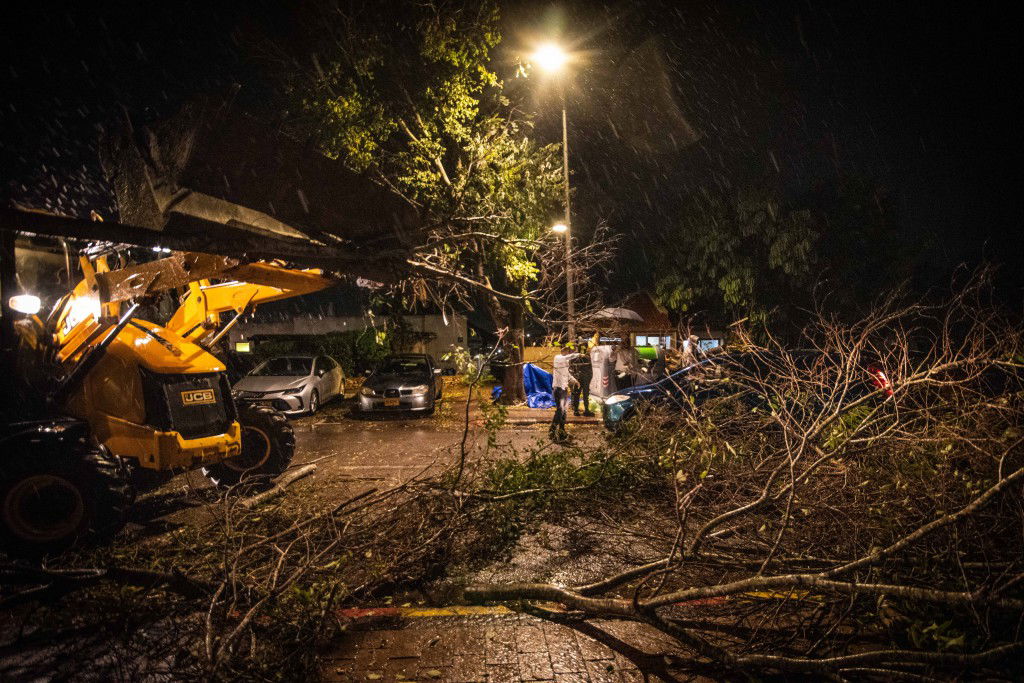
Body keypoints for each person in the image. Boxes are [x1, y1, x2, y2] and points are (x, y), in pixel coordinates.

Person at [550, 345, 582, 442]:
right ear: (564, 352)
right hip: (558, 389)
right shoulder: (558, 358)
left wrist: (575, 381)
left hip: (564, 389)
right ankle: (553, 429)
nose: (568, 355)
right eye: (567, 352)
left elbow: (567, 375)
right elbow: (567, 357)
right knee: (560, 410)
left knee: (563, 411)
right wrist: (578, 354)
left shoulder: (564, 363)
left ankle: (560, 430)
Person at [570, 338, 594, 416]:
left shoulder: (587, 356)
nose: (583, 347)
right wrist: (574, 378)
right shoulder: (576, 356)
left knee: (585, 394)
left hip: (584, 378)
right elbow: (571, 368)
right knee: (577, 394)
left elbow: (590, 368)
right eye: (582, 346)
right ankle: (577, 410)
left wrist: (589, 377)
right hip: (579, 378)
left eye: (584, 346)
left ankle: (585, 410)